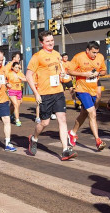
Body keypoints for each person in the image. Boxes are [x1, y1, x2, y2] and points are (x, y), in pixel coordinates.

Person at [26, 30, 77, 161]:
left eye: (52, 40)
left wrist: (62, 75)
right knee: (45, 122)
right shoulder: (37, 56)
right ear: (42, 43)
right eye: (47, 41)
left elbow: (60, 71)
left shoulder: (57, 54)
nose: (51, 43)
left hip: (58, 92)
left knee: (62, 119)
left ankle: (65, 150)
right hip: (45, 94)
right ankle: (34, 138)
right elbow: (28, 75)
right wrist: (36, 93)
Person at [67, 41, 107, 151]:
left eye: (97, 52)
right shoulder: (79, 57)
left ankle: (72, 132)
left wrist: (98, 73)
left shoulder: (100, 57)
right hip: (82, 89)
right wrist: (84, 74)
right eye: (93, 52)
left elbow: (104, 71)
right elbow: (69, 71)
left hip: (93, 90)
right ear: (87, 50)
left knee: (84, 114)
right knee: (92, 113)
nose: (95, 55)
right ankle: (98, 140)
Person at [7, 62, 26, 126]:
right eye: (16, 67)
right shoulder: (9, 74)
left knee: (16, 105)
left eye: (18, 67)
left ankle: (9, 114)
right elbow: (4, 80)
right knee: (15, 105)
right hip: (12, 90)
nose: (17, 69)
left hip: (19, 91)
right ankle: (17, 120)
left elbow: (26, 79)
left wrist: (21, 78)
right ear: (12, 67)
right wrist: (7, 84)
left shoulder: (20, 73)